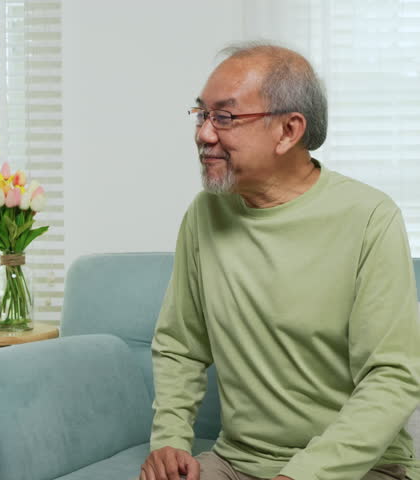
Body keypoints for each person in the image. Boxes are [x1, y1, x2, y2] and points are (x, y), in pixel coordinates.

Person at [141, 43, 420, 480]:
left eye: (225, 117)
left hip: (358, 468)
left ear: (289, 130)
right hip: (236, 463)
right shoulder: (205, 213)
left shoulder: (369, 217)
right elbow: (180, 345)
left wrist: (302, 475)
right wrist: (171, 441)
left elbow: (392, 377)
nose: (204, 134)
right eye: (201, 114)